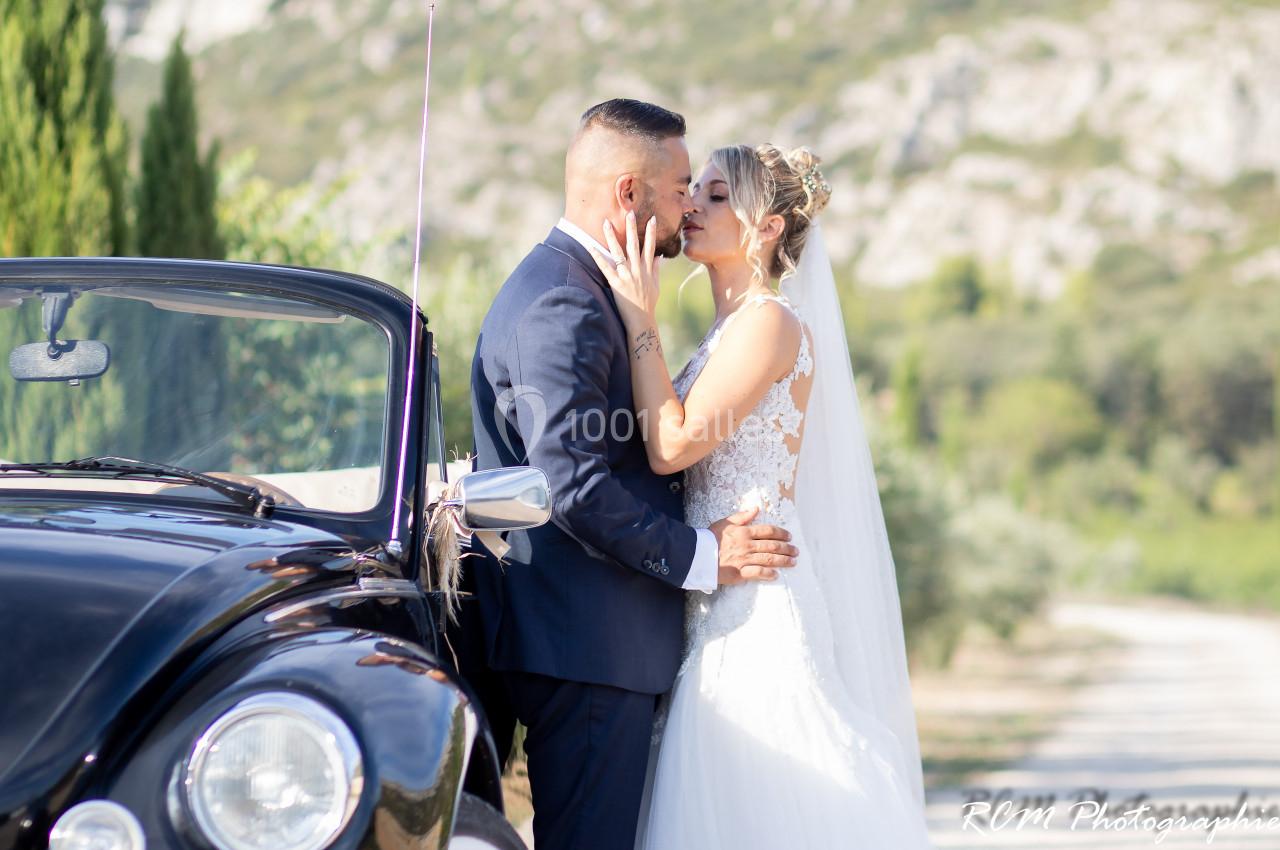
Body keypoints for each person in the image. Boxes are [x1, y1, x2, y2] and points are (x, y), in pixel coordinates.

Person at [466, 100, 800, 850]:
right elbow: (573, 486)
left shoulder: (581, 287)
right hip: (589, 644)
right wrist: (703, 554)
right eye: (682, 188)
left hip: (602, 641)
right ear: (628, 193)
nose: (688, 205)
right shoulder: (565, 302)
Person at [588, 143, 935, 848]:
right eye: (697, 190)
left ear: (768, 227)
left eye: (718, 197)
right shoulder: (726, 331)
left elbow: (673, 445)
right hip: (714, 590)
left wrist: (639, 316)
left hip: (755, 600)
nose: (693, 206)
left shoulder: (769, 323)